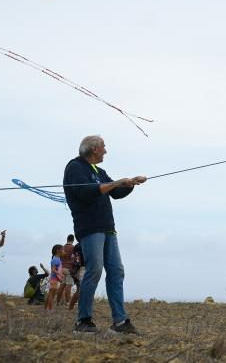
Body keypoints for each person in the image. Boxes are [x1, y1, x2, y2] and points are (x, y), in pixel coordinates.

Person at [63, 134, 146, 335]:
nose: (106, 151)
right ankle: (83, 321)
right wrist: (117, 182)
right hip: (90, 227)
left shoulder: (99, 171)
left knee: (117, 271)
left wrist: (131, 183)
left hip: (108, 228)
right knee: (95, 270)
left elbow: (115, 193)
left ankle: (120, 322)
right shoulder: (75, 167)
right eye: (103, 147)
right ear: (93, 149)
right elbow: (86, 192)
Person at [56, 234, 76, 306]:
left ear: (67, 239)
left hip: (61, 268)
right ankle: (68, 302)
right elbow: (75, 258)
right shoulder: (73, 248)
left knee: (62, 285)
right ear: (73, 240)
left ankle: (58, 302)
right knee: (68, 286)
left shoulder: (62, 248)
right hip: (69, 269)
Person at [45, 244, 64, 310]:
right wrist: (60, 274)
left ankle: (46, 308)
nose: (63, 251)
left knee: (51, 293)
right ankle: (50, 308)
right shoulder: (55, 259)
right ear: (58, 250)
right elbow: (53, 269)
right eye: (62, 249)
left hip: (54, 278)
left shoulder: (57, 258)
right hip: (54, 279)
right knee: (51, 294)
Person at [68, 243, 86, 310]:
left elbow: (73, 257)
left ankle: (72, 307)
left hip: (78, 268)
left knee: (80, 289)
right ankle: (71, 307)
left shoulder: (77, 245)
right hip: (81, 268)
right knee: (80, 289)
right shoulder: (82, 245)